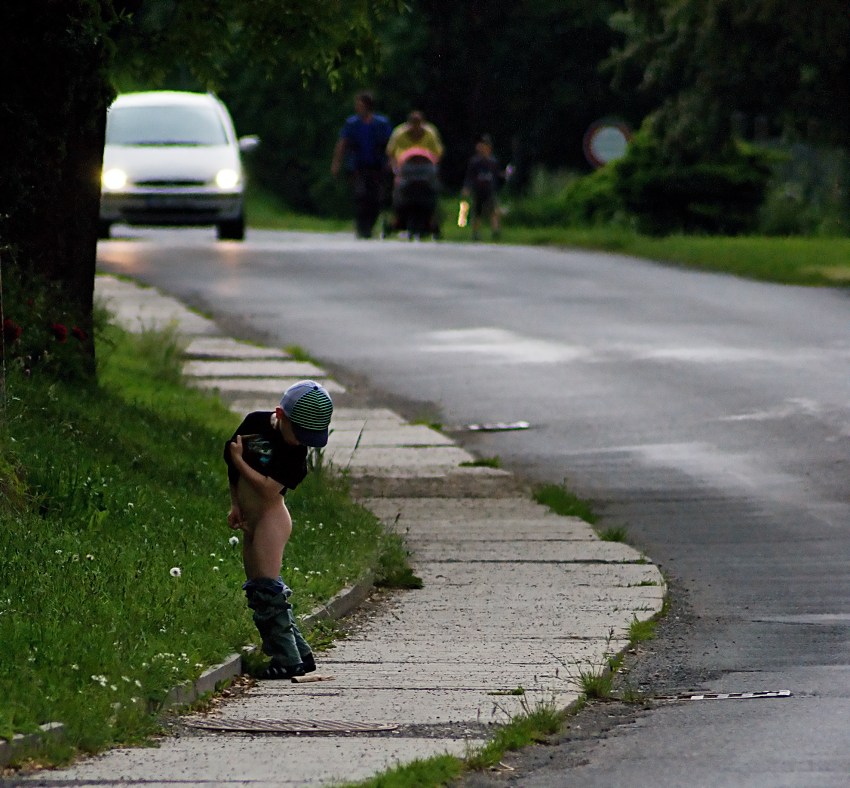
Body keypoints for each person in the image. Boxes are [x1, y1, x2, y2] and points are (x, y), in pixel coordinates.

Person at [224, 379, 334, 680]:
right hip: (251, 518)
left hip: (271, 520)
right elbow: (232, 464)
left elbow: (268, 491)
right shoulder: (254, 424)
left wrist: (239, 460)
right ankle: (300, 654)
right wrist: (236, 505)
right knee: (260, 587)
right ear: (280, 415)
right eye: (298, 434)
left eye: (309, 438)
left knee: (266, 590)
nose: (301, 442)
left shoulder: (295, 456)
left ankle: (286, 658)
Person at [331, 92, 393, 238]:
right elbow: (342, 143)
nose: (357, 107)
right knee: (360, 195)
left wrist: (391, 161)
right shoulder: (352, 123)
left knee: (375, 197)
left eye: (359, 104)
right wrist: (337, 162)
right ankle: (361, 226)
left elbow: (390, 144)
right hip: (358, 165)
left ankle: (370, 225)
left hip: (377, 165)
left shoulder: (381, 123)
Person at [462, 134, 505, 241]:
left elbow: (497, 175)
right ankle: (476, 233)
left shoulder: (493, 162)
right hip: (478, 190)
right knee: (477, 212)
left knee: (493, 211)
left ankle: (496, 231)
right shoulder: (475, 162)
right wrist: (467, 188)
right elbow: (469, 176)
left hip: (489, 190)